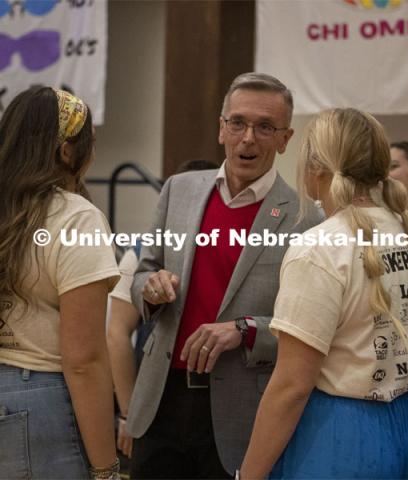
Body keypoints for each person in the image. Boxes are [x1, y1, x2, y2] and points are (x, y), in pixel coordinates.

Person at [126, 72, 322, 479]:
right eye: (238, 122)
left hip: (241, 412)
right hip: (161, 399)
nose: (248, 137)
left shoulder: (305, 217)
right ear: (222, 129)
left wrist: (246, 329)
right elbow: (142, 272)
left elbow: (309, 326)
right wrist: (150, 289)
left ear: (285, 139)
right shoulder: (177, 190)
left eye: (265, 127)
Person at [239, 108, 408, 479]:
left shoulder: (319, 247)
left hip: (344, 435)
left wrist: (249, 474)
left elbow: (291, 386)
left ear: (317, 167)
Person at [0, 87, 120, 479]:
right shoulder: (75, 218)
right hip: (39, 399)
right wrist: (106, 468)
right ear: (67, 151)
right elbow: (83, 360)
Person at [107, 159, 219, 459]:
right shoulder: (142, 251)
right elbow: (116, 333)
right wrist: (129, 414)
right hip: (158, 399)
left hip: (219, 400)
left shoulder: (231, 247)